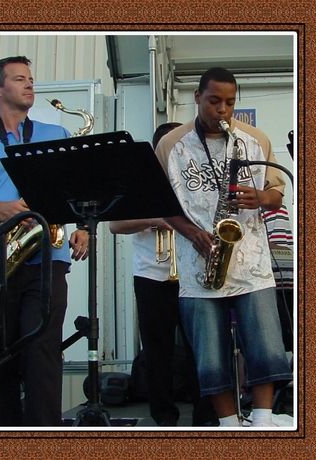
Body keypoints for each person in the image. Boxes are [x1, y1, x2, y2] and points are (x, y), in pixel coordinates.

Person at [0, 56, 89, 426]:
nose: (30, 85)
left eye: (31, 79)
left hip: (48, 259)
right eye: (20, 79)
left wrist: (83, 226)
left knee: (43, 355)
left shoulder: (55, 135)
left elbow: (77, 188)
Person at [154, 67, 292, 428]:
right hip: (199, 262)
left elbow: (277, 193)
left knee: (265, 346)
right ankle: (229, 425)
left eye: (230, 102)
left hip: (252, 264)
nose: (222, 110)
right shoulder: (171, 144)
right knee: (210, 356)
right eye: (214, 101)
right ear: (197, 97)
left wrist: (261, 196)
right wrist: (191, 232)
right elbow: (159, 202)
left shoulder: (255, 140)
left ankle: (262, 420)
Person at [109, 122, 216, 427]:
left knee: (201, 348)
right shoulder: (139, 183)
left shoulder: (194, 178)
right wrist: (156, 219)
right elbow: (115, 225)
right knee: (157, 351)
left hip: (194, 275)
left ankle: (206, 417)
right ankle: (164, 418)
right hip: (151, 275)